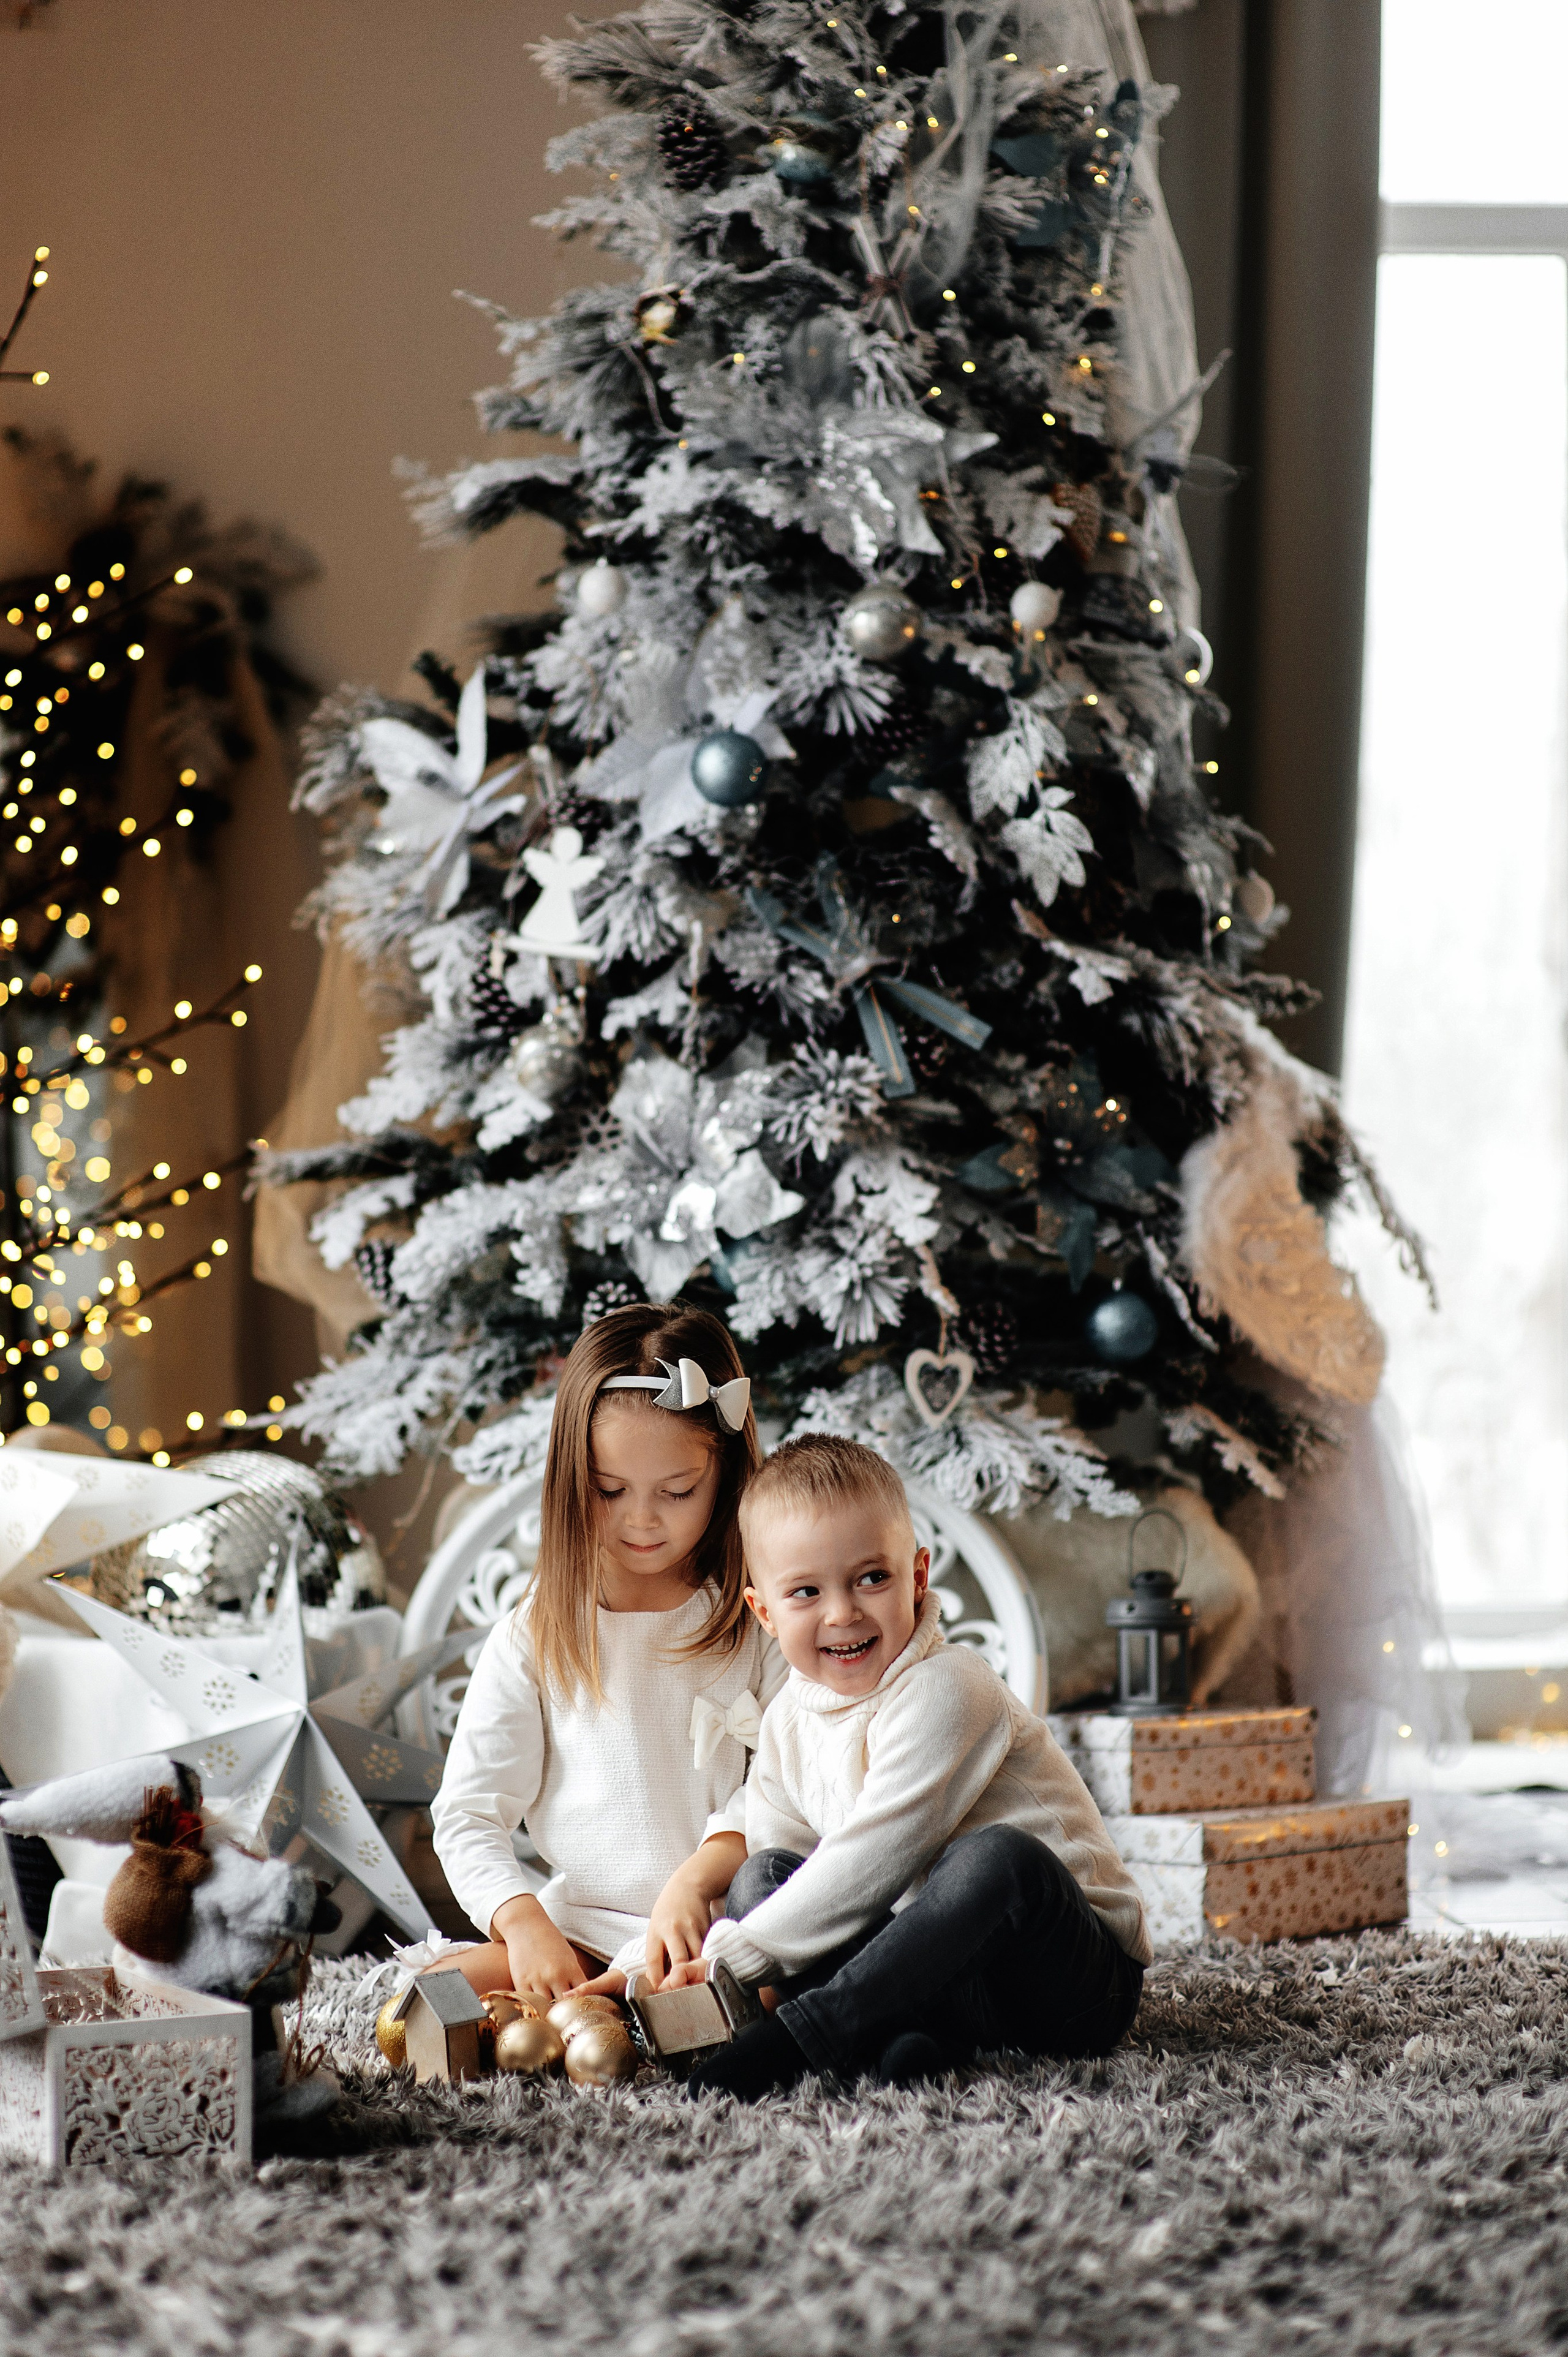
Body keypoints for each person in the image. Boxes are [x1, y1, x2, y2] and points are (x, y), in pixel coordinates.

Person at [682, 1433, 1152, 2097]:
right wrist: (692, 1957)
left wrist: (740, 1955)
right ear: (764, 1611)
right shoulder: (787, 1721)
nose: (843, 1611)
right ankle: (897, 2044)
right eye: (806, 1592)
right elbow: (796, 1879)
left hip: (1065, 1980)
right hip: (929, 1976)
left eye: (872, 1577)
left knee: (995, 1858)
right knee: (762, 1877)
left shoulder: (950, 1684)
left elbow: (877, 1852)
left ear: (918, 1576)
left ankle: (811, 2034)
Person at [429, 1303, 783, 2001]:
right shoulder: (537, 1633)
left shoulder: (758, 1616)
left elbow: (788, 1784)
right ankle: (609, 2004)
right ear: (571, 1477)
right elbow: (469, 1811)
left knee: (758, 1989)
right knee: (436, 1995)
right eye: (608, 1489)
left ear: (725, 1477)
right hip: (582, 1929)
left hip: (714, 1923)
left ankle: (640, 2007)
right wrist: (521, 1918)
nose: (640, 1518)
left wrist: (701, 1874)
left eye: (677, 1490)